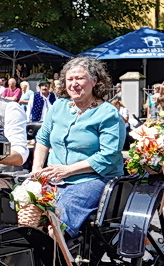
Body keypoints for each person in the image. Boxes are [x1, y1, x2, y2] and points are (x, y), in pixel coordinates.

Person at [29, 57, 126, 236]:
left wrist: (68, 170)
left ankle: (59, 259)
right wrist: (36, 170)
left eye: (79, 78)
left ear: (94, 81)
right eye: (70, 79)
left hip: (91, 179)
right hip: (54, 178)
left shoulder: (107, 113)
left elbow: (109, 155)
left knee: (58, 217)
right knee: (24, 209)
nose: (74, 84)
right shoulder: (59, 106)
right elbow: (43, 139)